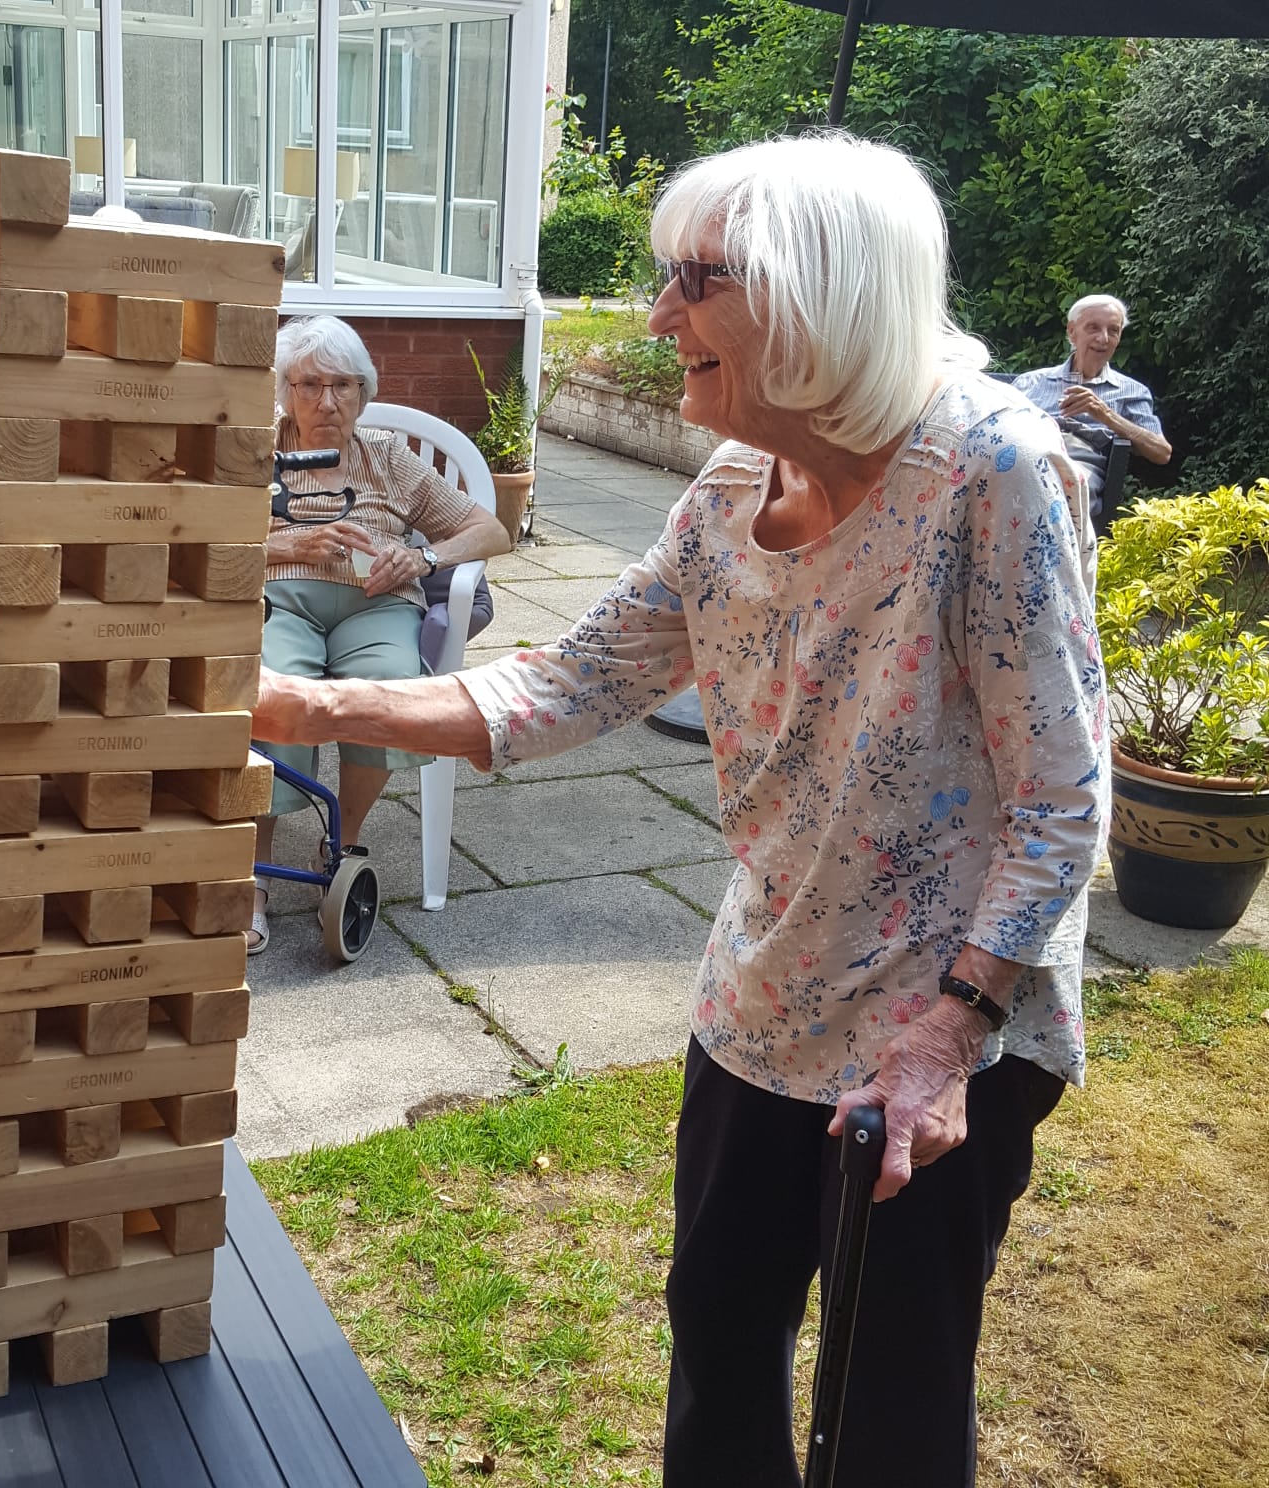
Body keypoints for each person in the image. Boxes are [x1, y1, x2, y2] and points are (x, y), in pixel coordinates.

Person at [251, 132, 1108, 1485]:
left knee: (889, 1401)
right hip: (762, 990)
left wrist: (951, 1034)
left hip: (940, 1030)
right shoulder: (723, 488)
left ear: (818, 291)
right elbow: (569, 680)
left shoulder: (991, 471)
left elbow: (1064, 799)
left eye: (695, 282)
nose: (657, 317)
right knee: (717, 1335)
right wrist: (305, 708)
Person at [248, 315, 509, 954]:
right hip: (279, 598)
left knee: (391, 685)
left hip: (377, 605)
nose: (327, 401)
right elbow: (204, 535)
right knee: (270, 693)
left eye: (343, 385)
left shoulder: (391, 457)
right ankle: (250, 871)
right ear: (284, 391)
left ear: (363, 393)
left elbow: (490, 530)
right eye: (309, 385)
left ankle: (341, 842)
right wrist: (291, 541)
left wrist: (421, 559)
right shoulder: (256, 451)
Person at [1012, 293, 1172, 516]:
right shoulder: (1031, 382)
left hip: (1078, 464)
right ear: (1072, 331)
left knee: (1054, 488)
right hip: (1026, 455)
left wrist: (1103, 413)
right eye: (1093, 328)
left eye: (1113, 330)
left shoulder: (1130, 390)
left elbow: (1161, 452)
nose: (1103, 338)